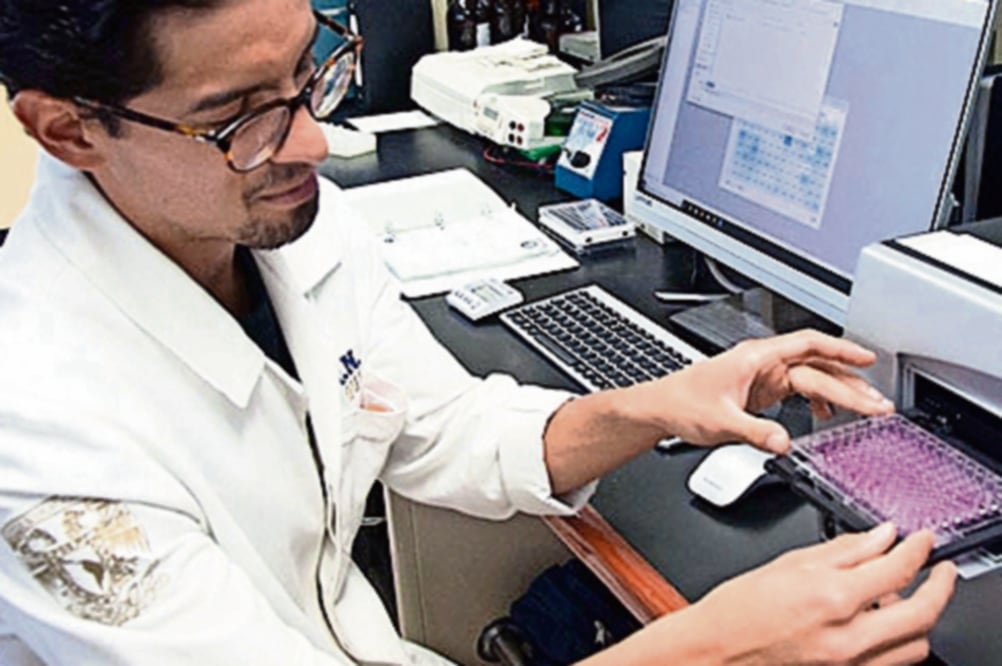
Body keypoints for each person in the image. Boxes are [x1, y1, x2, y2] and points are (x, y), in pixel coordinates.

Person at [0, 1, 956, 665]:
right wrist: (715, 647)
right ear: (68, 132)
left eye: (307, 72)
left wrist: (655, 406)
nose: (313, 143)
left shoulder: (285, 220)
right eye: (237, 119)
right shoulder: (38, 422)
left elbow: (436, 426)